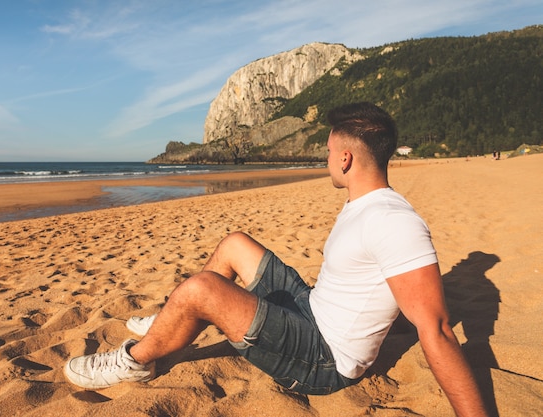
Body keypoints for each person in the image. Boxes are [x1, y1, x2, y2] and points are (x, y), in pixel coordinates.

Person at [64, 102, 488, 416]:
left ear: (346, 157)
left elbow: (438, 331)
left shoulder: (395, 222)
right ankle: (170, 325)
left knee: (201, 290)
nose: (326, 161)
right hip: (312, 311)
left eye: (327, 152)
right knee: (234, 244)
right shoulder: (367, 204)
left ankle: (134, 362)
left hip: (324, 360)